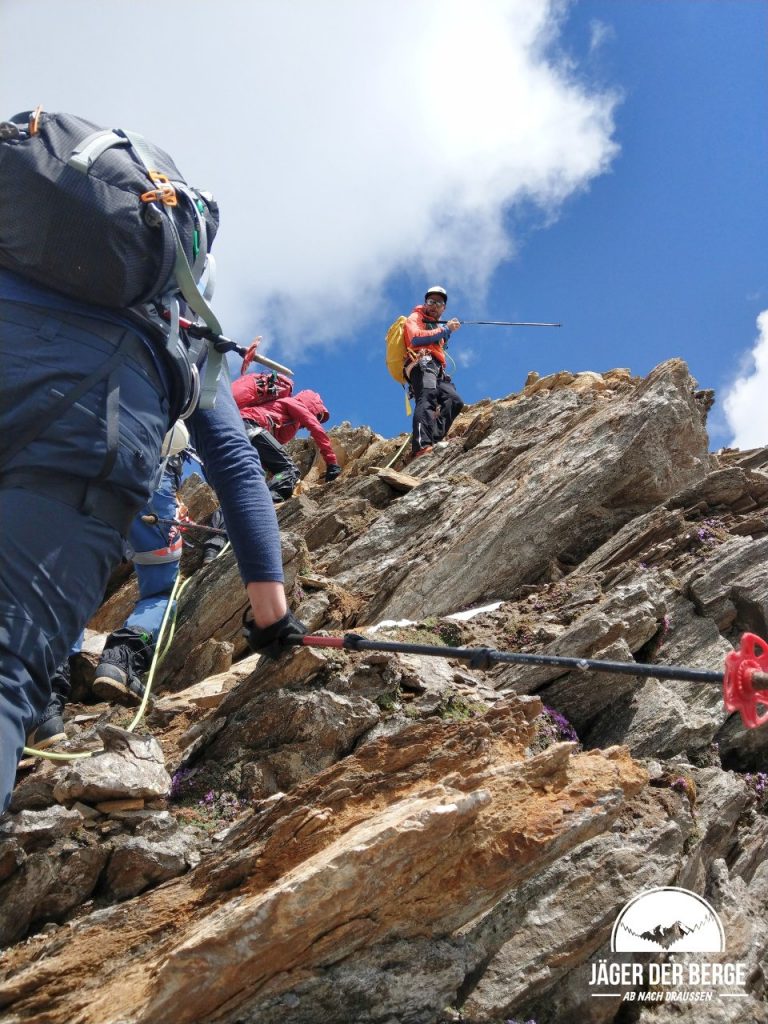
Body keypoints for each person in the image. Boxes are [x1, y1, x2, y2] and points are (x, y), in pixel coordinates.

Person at [0, 267, 306, 814]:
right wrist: (272, 616)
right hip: (119, 488)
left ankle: (46, 701)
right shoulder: (178, 331)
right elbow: (237, 466)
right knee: (152, 590)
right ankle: (112, 664)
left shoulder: (31, 262)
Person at [230, 378, 341, 503]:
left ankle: (223, 518)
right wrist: (332, 462)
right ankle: (265, 502)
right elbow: (316, 428)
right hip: (249, 426)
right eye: (318, 415)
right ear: (312, 406)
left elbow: (266, 452)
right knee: (289, 471)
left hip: (240, 433)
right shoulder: (294, 403)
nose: (317, 419)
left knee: (252, 482)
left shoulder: (290, 423)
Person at [403, 285, 464, 458]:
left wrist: (446, 333)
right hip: (422, 363)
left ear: (443, 308)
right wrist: (446, 329)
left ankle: (434, 438)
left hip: (437, 368)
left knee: (454, 400)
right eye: (431, 301)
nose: (434, 305)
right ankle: (421, 446)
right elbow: (415, 338)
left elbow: (438, 341)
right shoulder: (415, 317)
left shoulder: (434, 325)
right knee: (427, 396)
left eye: (438, 303)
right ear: (425, 303)